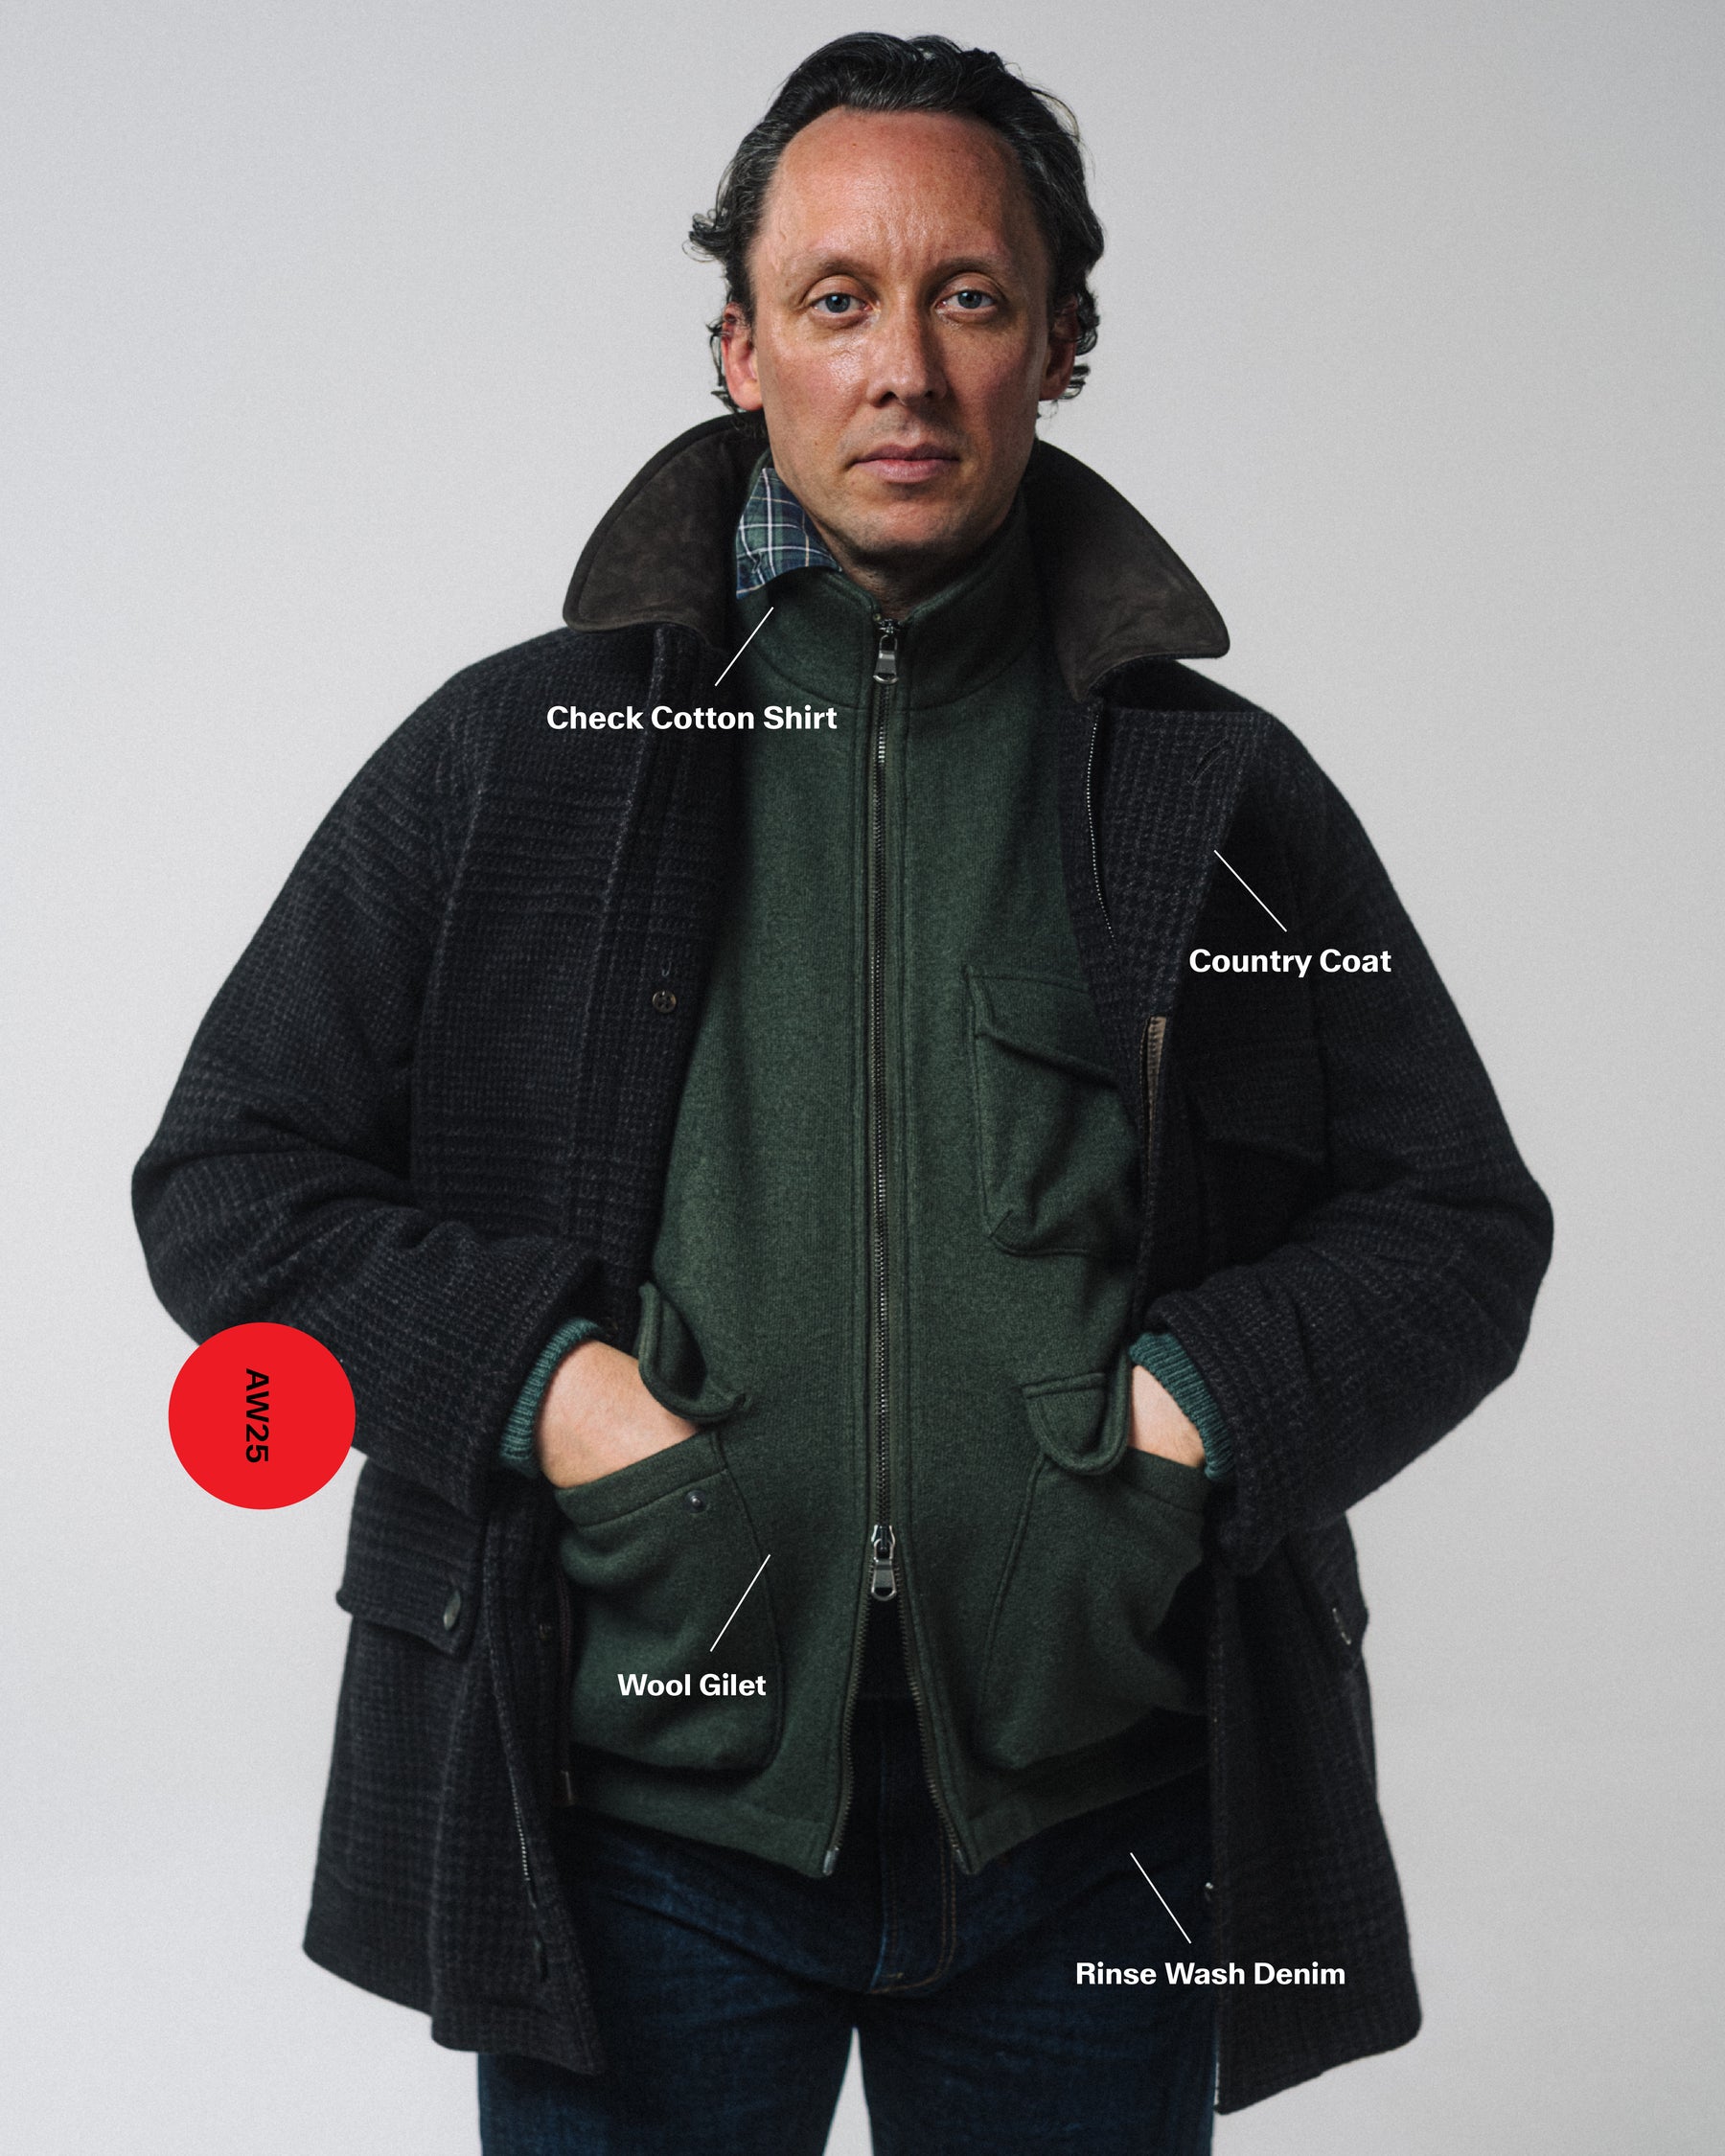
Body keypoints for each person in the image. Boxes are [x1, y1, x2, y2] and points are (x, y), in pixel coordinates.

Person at [133, 31, 1552, 2154]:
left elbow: (1457, 1224)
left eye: (970, 297)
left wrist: (1188, 1424)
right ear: (741, 348)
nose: (905, 368)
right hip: (631, 1832)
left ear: (1058, 346)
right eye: (836, 298)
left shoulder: (1215, 795)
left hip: (1099, 1842)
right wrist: (554, 1397)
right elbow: (231, 1180)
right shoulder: (516, 763)